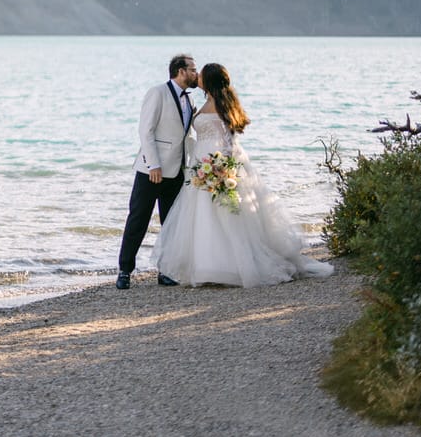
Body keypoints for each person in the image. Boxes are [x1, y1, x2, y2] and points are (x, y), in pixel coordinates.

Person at [151, 63, 333, 288]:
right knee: (202, 215)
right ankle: (205, 265)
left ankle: (229, 266)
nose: (197, 77)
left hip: (216, 164)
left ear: (209, 81)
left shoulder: (221, 104)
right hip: (201, 164)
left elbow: (229, 140)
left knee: (225, 214)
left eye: (202, 75)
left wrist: (222, 167)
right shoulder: (207, 102)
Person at [115, 54, 199, 289]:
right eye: (193, 69)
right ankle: (124, 271)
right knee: (138, 219)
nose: (196, 74)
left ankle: (165, 271)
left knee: (170, 223)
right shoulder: (157, 93)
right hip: (151, 171)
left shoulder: (190, 100)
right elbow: (146, 131)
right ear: (180, 71)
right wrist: (153, 165)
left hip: (177, 171)